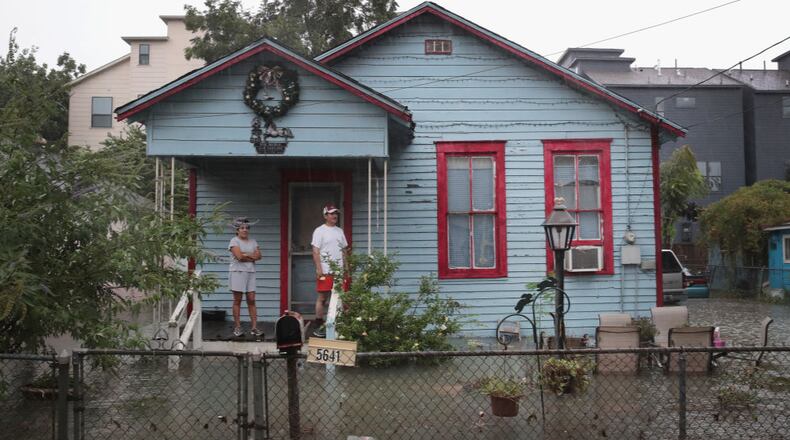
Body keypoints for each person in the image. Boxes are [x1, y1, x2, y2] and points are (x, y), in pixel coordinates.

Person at [310, 204, 348, 338]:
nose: (334, 216)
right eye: (331, 213)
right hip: (326, 271)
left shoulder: (339, 231)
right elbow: (315, 251)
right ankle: (319, 324)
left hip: (339, 271)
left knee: (341, 298)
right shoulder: (319, 231)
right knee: (322, 298)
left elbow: (344, 251)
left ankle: (340, 325)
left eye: (336, 213)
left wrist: (347, 268)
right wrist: (319, 269)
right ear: (325, 215)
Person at [228, 217, 263, 337]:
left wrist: (246, 254)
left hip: (250, 272)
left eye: (247, 228)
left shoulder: (253, 241)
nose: (245, 230)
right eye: (242, 228)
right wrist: (251, 255)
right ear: (237, 230)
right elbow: (239, 257)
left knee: (251, 299)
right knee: (237, 300)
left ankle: (254, 327)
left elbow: (259, 256)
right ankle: (237, 327)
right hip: (237, 272)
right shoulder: (234, 241)